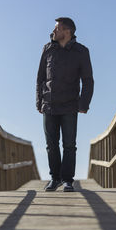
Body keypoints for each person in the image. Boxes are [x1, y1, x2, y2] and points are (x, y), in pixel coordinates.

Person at [36, 17, 94, 192]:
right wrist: (39, 101)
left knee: (69, 144)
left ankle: (68, 180)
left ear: (67, 31)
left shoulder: (81, 51)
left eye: (57, 28)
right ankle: (55, 178)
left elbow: (88, 80)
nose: (53, 31)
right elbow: (40, 79)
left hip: (70, 105)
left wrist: (83, 103)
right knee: (51, 145)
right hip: (49, 105)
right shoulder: (47, 49)